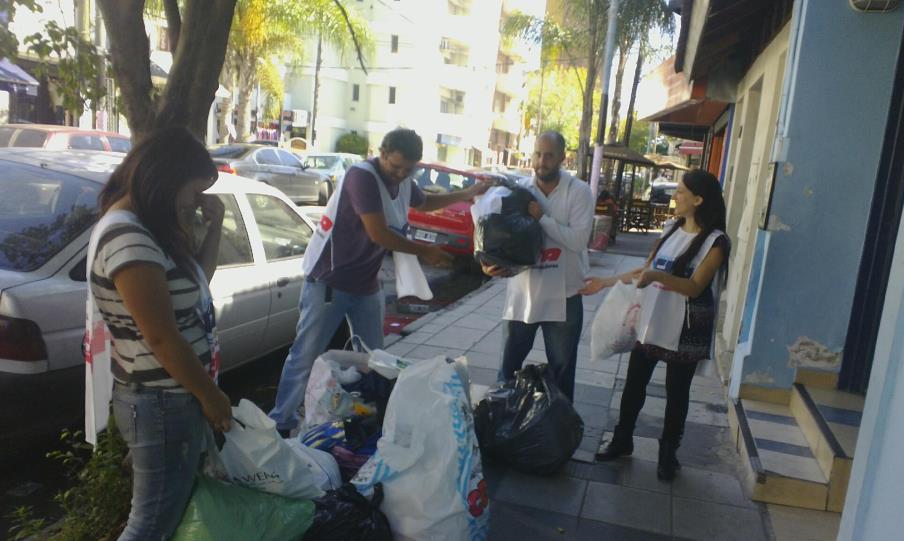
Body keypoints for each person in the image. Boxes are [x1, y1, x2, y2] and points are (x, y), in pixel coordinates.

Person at [269, 128, 488, 434]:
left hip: (366, 283)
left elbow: (424, 203)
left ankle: (369, 414)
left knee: (376, 358)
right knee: (306, 353)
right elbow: (379, 233)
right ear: (382, 153)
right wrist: (425, 251)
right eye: (395, 166)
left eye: (408, 169)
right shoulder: (363, 178)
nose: (400, 174)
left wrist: (466, 194)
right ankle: (281, 421)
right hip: (330, 280)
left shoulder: (403, 181)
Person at [88, 126, 232, 539]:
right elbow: (161, 337)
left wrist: (215, 223)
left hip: (167, 398)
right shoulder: (127, 235)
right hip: (160, 401)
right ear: (167, 180)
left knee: (162, 515)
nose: (194, 203)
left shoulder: (150, 228)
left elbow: (197, 281)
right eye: (193, 192)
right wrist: (211, 396)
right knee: (150, 524)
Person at [581, 169, 729, 481]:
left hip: (687, 324)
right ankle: (622, 440)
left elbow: (695, 287)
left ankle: (668, 454)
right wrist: (606, 282)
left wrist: (658, 277)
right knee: (634, 382)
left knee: (677, 392)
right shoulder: (671, 228)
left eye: (681, 192)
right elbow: (645, 270)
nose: (675, 196)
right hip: (654, 316)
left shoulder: (717, 242)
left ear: (699, 200)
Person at [483, 131, 593, 401]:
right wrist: (490, 265)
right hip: (523, 295)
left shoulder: (578, 192)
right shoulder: (519, 191)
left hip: (565, 297)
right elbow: (500, 240)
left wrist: (542, 217)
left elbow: (578, 241)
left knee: (562, 374)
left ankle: (559, 435)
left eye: (549, 155)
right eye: (537, 154)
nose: (541, 161)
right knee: (507, 370)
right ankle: (499, 425)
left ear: (562, 158)